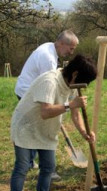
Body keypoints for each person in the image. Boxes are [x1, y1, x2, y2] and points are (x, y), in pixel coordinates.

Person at [10, 54, 97, 191]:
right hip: (26, 128)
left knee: (48, 167)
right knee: (22, 167)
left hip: (46, 131)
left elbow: (76, 114)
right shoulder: (50, 81)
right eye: (82, 81)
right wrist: (70, 104)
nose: (83, 87)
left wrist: (85, 132)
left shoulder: (72, 86)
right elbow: (45, 112)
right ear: (75, 74)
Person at [14, 30, 79, 180]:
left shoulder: (49, 46)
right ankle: (42, 167)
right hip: (28, 92)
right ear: (62, 43)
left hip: (26, 88)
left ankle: (30, 161)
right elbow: (49, 88)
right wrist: (56, 109)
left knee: (32, 126)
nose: (71, 52)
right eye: (71, 48)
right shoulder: (48, 58)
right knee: (37, 126)